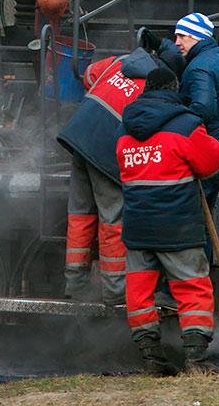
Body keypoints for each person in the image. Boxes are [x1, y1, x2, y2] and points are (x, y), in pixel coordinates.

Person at [116, 67, 219, 376]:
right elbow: (211, 161)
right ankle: (196, 362)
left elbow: (119, 165)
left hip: (137, 226)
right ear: (174, 89)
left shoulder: (124, 127)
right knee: (192, 289)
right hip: (178, 226)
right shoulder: (186, 124)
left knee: (139, 295)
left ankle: (152, 361)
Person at [56, 47, 161, 306]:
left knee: (80, 214)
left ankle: (75, 284)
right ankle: (114, 291)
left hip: (77, 137)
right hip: (105, 152)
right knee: (113, 218)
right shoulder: (155, 88)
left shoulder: (121, 61)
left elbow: (89, 75)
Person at [141, 13, 219, 207]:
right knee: (206, 214)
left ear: (194, 36)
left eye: (181, 37)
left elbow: (203, 109)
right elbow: (183, 54)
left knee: (197, 222)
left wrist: (171, 120)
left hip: (206, 156)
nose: (176, 42)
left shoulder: (198, 68)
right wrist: (160, 44)